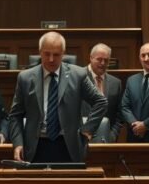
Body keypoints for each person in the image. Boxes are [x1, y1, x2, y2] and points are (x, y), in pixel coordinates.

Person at [9, 32, 107, 163]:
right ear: (40, 52)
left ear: (63, 53)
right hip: (35, 146)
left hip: (69, 146)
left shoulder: (78, 75)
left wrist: (87, 130)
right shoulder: (25, 78)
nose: (51, 59)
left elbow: (101, 101)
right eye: (47, 54)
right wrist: (18, 143)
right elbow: (15, 115)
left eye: (56, 55)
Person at [83, 43, 123, 143]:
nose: (102, 63)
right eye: (99, 59)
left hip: (106, 139)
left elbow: (119, 114)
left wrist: (112, 135)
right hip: (81, 137)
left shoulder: (116, 83)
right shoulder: (78, 77)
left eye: (106, 60)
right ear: (91, 58)